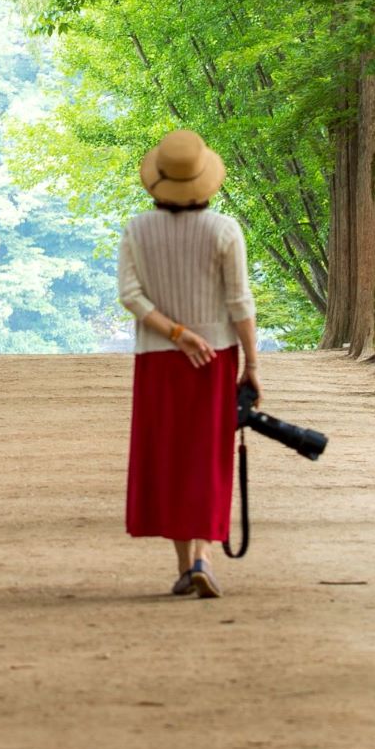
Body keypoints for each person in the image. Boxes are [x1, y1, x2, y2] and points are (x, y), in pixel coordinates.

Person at [116, 128, 261, 597]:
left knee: (170, 458)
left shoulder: (137, 229)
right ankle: (202, 556)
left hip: (158, 359)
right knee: (206, 458)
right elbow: (239, 303)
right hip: (215, 357)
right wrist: (252, 367)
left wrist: (176, 333)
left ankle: (185, 564)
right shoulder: (224, 230)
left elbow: (130, 297)